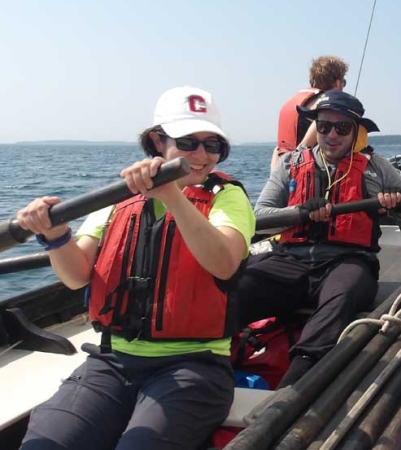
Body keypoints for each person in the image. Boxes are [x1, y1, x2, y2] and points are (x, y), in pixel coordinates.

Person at [15, 86, 256, 450]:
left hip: (195, 367)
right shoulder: (117, 200)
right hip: (112, 361)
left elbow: (223, 264)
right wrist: (56, 235)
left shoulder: (229, 198)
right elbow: (76, 275)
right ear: (159, 141)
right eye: (188, 142)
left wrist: (172, 195)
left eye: (213, 145)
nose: (202, 155)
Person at [238, 90, 401, 388]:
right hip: (290, 259)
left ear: (356, 131)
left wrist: (400, 207)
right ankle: (211, 357)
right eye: (324, 127)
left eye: (342, 128)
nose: (332, 135)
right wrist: (298, 212)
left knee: (344, 294)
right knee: (238, 284)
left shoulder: (378, 168)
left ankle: (296, 382)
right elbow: (258, 217)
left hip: (347, 261)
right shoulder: (290, 164)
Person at [272, 55, 349, 167]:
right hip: (306, 171)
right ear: (337, 83)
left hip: (282, 170)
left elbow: (278, 150)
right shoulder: (327, 105)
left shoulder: (291, 102)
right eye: (344, 82)